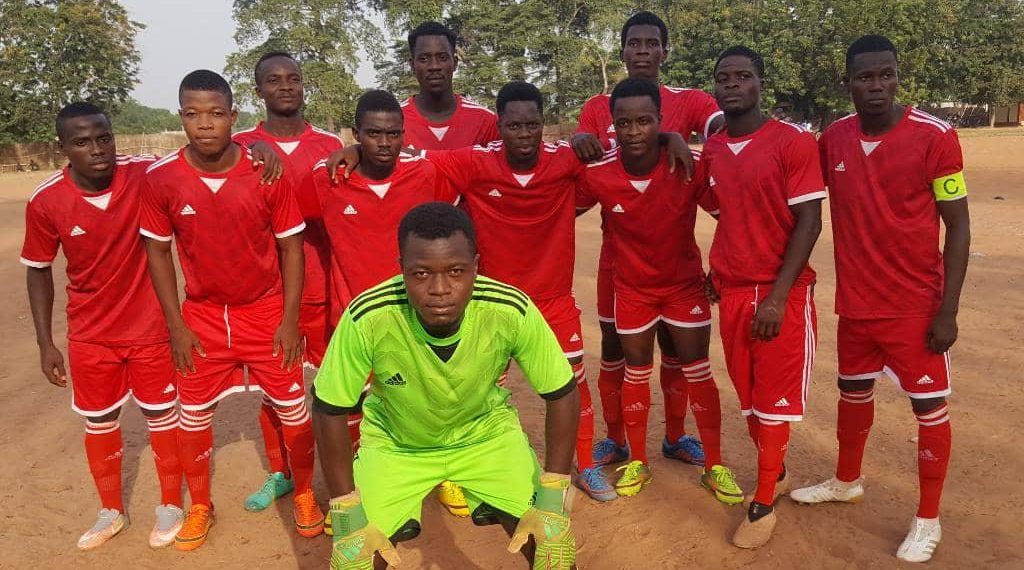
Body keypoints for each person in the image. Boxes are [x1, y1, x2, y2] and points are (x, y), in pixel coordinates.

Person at [313, 202, 579, 570]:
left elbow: (562, 392)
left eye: (456, 271)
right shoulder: (368, 316)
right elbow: (328, 408)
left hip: (486, 437)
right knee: (353, 558)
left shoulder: (509, 309)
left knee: (553, 548)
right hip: (397, 445)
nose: (439, 289)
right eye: (421, 274)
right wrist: (345, 507)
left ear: (476, 266)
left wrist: (554, 491)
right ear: (402, 269)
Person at [790, 35, 970, 564]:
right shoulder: (834, 138)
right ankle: (846, 481)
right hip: (857, 304)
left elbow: (958, 227)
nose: (876, 85)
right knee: (852, 393)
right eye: (865, 77)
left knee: (929, 409)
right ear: (847, 82)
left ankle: (928, 518)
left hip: (915, 307)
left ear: (897, 76)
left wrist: (948, 310)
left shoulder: (936, 136)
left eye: (885, 74)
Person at [140, 70, 322, 550]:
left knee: (293, 409)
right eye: (193, 114)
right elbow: (157, 253)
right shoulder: (161, 179)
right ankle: (201, 504)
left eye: (216, 113)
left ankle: (305, 493)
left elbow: (292, 248)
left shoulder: (265, 171)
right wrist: (176, 326)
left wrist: (289, 319)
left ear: (233, 117)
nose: (205, 124)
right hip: (201, 318)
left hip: (265, 313)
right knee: (193, 415)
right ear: (181, 117)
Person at [21, 102, 183, 550]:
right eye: (82, 142)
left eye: (103, 138)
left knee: (161, 414)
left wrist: (256, 150)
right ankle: (111, 511)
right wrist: (45, 343)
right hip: (91, 333)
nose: (96, 149)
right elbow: (38, 270)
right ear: (63, 148)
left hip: (150, 326)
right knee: (100, 419)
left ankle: (171, 504)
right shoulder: (46, 200)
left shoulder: (144, 173)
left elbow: (199, 153)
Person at [573, 11, 723, 469]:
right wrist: (580, 140)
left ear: (664, 50)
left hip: (673, 257)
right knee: (615, 349)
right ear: (622, 50)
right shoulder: (598, 106)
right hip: (618, 256)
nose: (642, 51)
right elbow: (585, 153)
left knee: (676, 351)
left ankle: (675, 436)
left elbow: (723, 127)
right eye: (634, 43)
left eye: (651, 43)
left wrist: (677, 136)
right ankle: (616, 439)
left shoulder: (690, 99)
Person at [702, 46, 826, 548]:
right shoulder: (712, 150)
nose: (732, 84)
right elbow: (727, 210)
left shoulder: (792, 142)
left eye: (743, 76)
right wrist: (720, 264)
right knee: (751, 402)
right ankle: (779, 470)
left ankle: (764, 501)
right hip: (732, 293)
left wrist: (776, 296)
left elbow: (810, 221)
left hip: (781, 294)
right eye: (723, 77)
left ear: (760, 83)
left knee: (774, 404)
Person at [232, 51, 346, 514]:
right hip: (272, 296)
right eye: (274, 80)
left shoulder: (330, 144)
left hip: (328, 286)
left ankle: (352, 472)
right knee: (277, 393)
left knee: (344, 388)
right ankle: (283, 473)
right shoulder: (239, 146)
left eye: (293, 78)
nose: (285, 86)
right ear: (258, 89)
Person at [400, 21, 499, 151]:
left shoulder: (486, 121)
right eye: (424, 59)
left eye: (442, 57)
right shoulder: (393, 121)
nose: (434, 66)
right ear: (412, 65)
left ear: (455, 63)